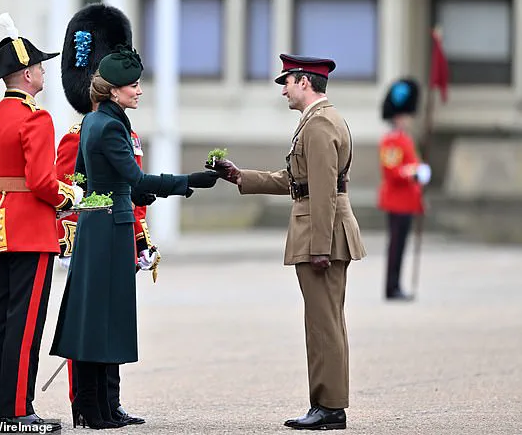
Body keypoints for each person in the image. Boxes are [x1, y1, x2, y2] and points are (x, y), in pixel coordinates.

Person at [50, 45, 219, 429]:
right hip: (109, 229)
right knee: (103, 321)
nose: (139, 90)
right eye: (133, 85)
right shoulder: (110, 125)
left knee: (99, 320)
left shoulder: (96, 121)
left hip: (100, 225)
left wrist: (130, 193)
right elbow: (134, 178)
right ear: (114, 90)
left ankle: (100, 407)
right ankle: (94, 409)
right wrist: (187, 181)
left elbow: (84, 178)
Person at [208, 54, 366, 430]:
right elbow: (296, 180)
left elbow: (325, 191)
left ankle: (329, 408)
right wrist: (240, 176)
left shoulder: (319, 124)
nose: (283, 90)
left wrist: (320, 247)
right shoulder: (321, 120)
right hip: (320, 228)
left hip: (320, 231)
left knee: (323, 324)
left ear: (304, 82)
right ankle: (328, 405)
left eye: (287, 82)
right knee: (325, 321)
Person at [0, 13, 81, 433]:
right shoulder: (36, 118)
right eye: (38, 66)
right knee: (26, 322)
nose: (43, 72)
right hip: (32, 229)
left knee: (0, 318)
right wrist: (69, 196)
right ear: (26, 73)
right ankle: (18, 411)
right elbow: (41, 181)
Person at [56, 3, 151, 426]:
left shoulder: (125, 131)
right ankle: (87, 403)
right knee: (92, 324)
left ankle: (111, 401)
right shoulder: (78, 135)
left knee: (112, 323)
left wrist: (142, 238)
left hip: (121, 232)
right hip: (94, 236)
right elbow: (72, 191)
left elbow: (133, 191)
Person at [378, 79, 431, 300]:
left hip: (407, 200)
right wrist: (415, 173)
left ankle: (396, 285)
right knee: (396, 247)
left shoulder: (404, 139)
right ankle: (392, 287)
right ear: (398, 116)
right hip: (397, 200)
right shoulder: (391, 140)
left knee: (400, 246)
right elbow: (392, 171)